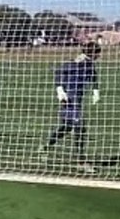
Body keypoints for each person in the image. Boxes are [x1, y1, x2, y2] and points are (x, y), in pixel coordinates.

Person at [39, 41, 102, 173]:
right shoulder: (77, 63)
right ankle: (81, 161)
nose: (99, 56)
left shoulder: (89, 64)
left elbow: (94, 76)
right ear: (93, 53)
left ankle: (45, 146)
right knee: (80, 127)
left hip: (77, 100)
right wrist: (60, 91)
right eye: (98, 53)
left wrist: (95, 91)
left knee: (66, 127)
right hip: (68, 100)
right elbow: (58, 73)